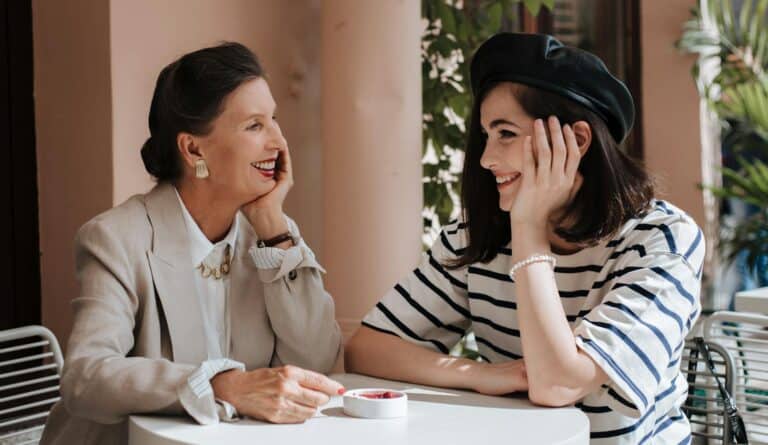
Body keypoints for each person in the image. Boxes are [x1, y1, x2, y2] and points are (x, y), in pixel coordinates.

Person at [346, 33, 704, 444]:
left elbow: (557, 385)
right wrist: (481, 374)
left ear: (578, 141)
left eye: (506, 134)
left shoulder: (663, 240)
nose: (486, 158)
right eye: (486, 136)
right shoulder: (476, 235)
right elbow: (368, 347)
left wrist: (530, 231)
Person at [41, 42, 342, 445]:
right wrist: (222, 385)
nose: (278, 142)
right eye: (255, 125)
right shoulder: (117, 238)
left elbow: (317, 362)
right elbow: (86, 376)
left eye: (274, 120)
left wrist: (273, 227)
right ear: (194, 148)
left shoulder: (269, 234)